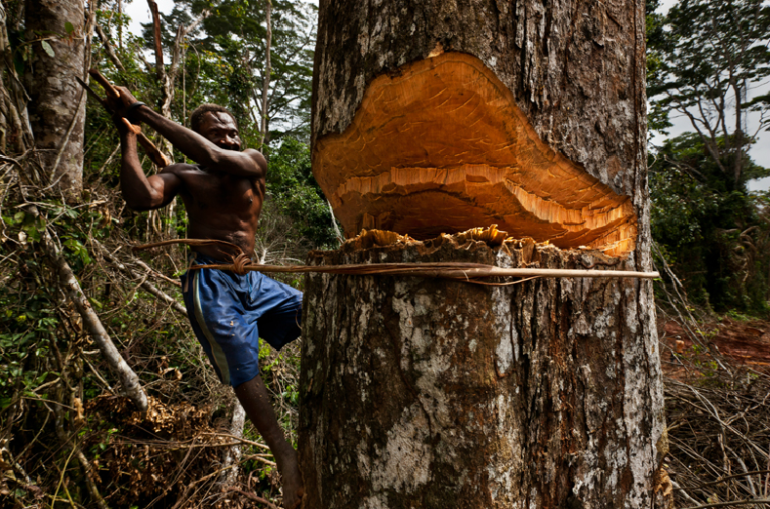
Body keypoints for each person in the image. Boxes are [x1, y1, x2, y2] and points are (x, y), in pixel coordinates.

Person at [108, 88, 304, 509]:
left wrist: (143, 111)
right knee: (240, 360)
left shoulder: (252, 161)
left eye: (232, 132)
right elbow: (142, 198)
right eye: (217, 133)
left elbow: (216, 157)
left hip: (252, 277)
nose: (229, 139)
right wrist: (129, 135)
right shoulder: (184, 174)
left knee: (313, 310)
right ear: (197, 136)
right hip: (210, 280)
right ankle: (283, 453)